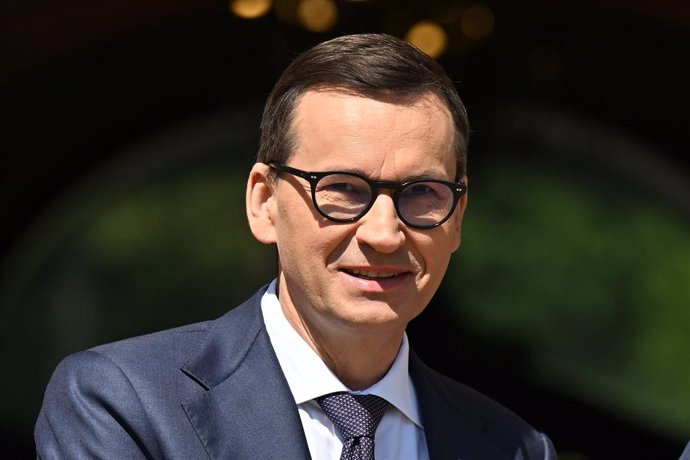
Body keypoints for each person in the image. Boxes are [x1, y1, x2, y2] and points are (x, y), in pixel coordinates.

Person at [35, 33, 557, 459]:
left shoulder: (515, 448)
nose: (383, 233)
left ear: (458, 218)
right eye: (343, 189)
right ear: (265, 203)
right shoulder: (123, 405)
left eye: (421, 193)